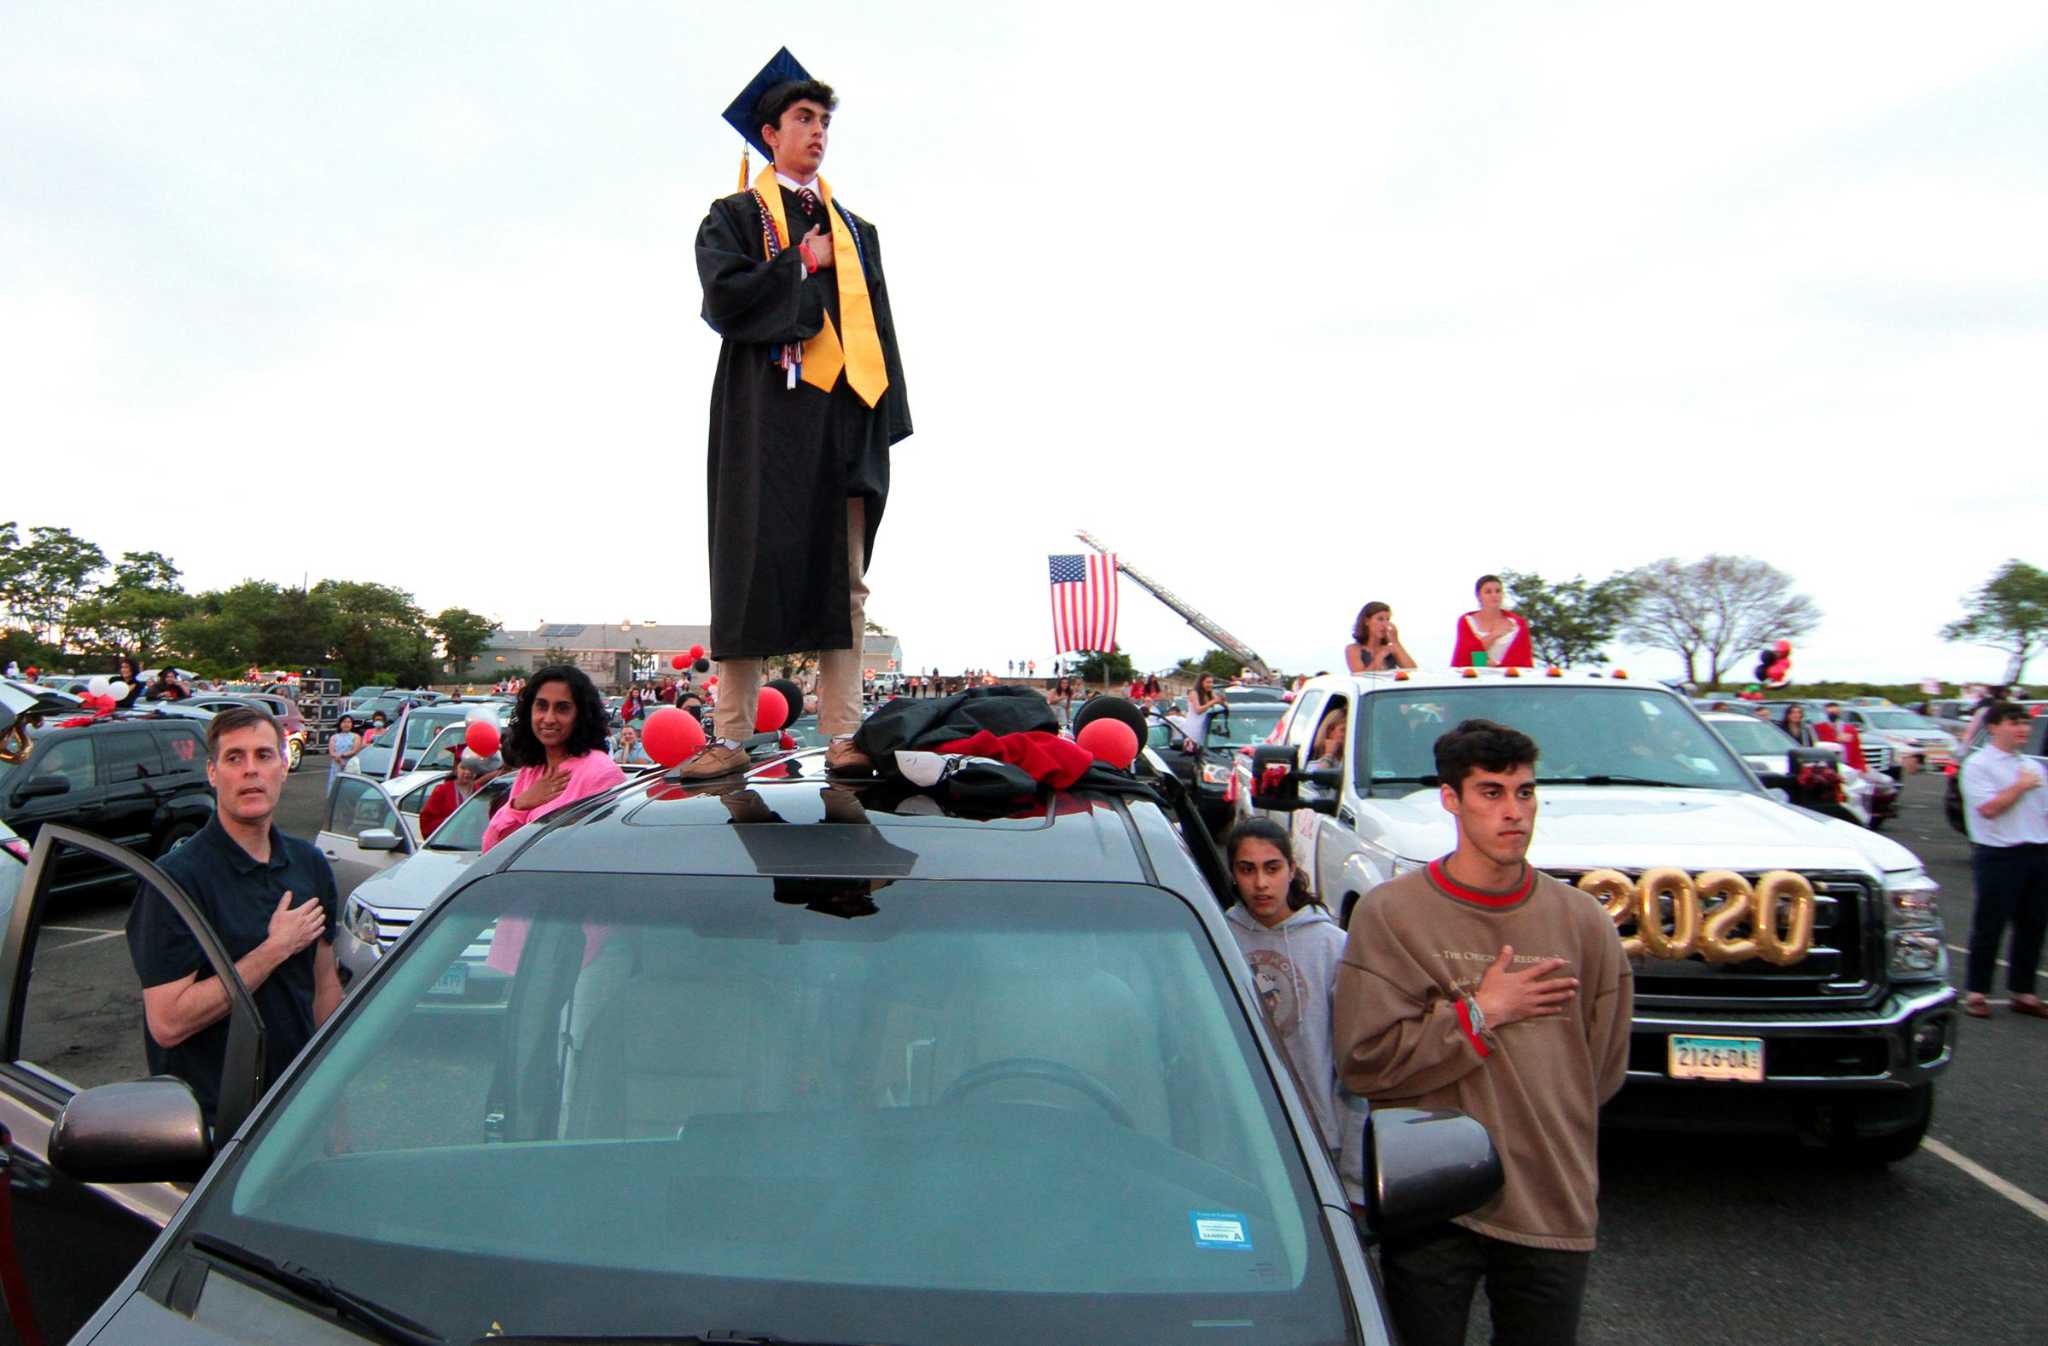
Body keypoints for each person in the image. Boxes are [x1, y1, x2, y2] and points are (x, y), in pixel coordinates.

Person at [1333, 719, 1631, 1346]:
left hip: (1552, 1197)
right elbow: (1364, 1062)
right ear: (1451, 799)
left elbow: (1598, 1070)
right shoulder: (1395, 915)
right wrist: (1480, 1015)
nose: (1513, 812)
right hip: (1432, 1199)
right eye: (1491, 793)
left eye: (1525, 792)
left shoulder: (1582, 922)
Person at [685, 52, 912, 781]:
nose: (818, 133)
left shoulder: (857, 230)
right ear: (769, 133)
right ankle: (729, 733)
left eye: (824, 121)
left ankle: (843, 731)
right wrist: (800, 265)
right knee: (747, 564)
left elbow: (879, 329)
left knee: (844, 582)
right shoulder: (734, 217)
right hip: (764, 419)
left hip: (841, 420)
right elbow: (725, 300)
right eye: (804, 120)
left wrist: (883, 420)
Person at [125, 706, 343, 1127]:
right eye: (234, 758)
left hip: (295, 1117)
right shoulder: (176, 881)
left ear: (283, 767)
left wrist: (334, 1113)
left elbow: (324, 990)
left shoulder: (309, 864)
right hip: (211, 1131)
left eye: (264, 756)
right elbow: (168, 1023)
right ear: (212, 773)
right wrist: (274, 949)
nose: (250, 771)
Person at [1223, 817, 1365, 1206]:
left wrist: (1354, 1175)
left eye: (1272, 868)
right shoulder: (1219, 938)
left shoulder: (1332, 946)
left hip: (1318, 1139)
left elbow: (1355, 1064)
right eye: (1246, 869)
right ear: (1233, 874)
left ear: (1292, 869)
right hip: (1242, 1140)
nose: (1261, 884)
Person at [1957, 702, 2048, 1020]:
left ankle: (2023, 991)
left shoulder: (2033, 766)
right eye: (2014, 722)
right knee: (1990, 924)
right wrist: (2020, 787)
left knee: (2033, 925)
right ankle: (1977, 991)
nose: (2022, 728)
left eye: (2025, 723)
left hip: (2037, 851)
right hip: (1999, 853)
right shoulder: (1978, 764)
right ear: (1994, 727)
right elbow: (1989, 809)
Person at [481, 666, 629, 854]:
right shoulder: (531, 770)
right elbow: (492, 849)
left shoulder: (600, 772)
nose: (549, 718)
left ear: (580, 715)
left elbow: (603, 851)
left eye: (562, 708)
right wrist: (519, 805)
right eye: (542, 706)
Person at [1450, 575, 1533, 669]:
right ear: (1479, 596)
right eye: (1488, 592)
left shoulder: (1517, 624)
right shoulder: (1467, 621)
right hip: (1476, 679)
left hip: (1510, 679)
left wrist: (1499, 667)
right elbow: (1466, 657)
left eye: (1498, 591)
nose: (1494, 595)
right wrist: (1494, 634)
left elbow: (1523, 660)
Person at [419, 751, 503, 840]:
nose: (467, 772)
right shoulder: (442, 790)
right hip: (449, 841)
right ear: (456, 769)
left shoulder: (481, 791)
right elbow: (427, 820)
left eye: (471, 768)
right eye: (463, 768)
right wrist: (454, 823)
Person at [1347, 601, 1417, 672]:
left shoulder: (1391, 649)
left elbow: (1413, 670)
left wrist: (1396, 642)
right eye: (1380, 619)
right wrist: (1381, 655)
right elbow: (1360, 676)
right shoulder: (1353, 649)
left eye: (1388, 620)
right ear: (1366, 621)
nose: (1385, 624)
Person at [326, 714, 363, 787]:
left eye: (349, 722)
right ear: (340, 724)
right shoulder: (334, 737)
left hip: (351, 764)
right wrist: (338, 758)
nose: (346, 724)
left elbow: (354, 750)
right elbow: (332, 751)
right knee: (335, 785)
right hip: (336, 764)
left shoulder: (356, 736)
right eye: (344, 722)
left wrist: (342, 755)